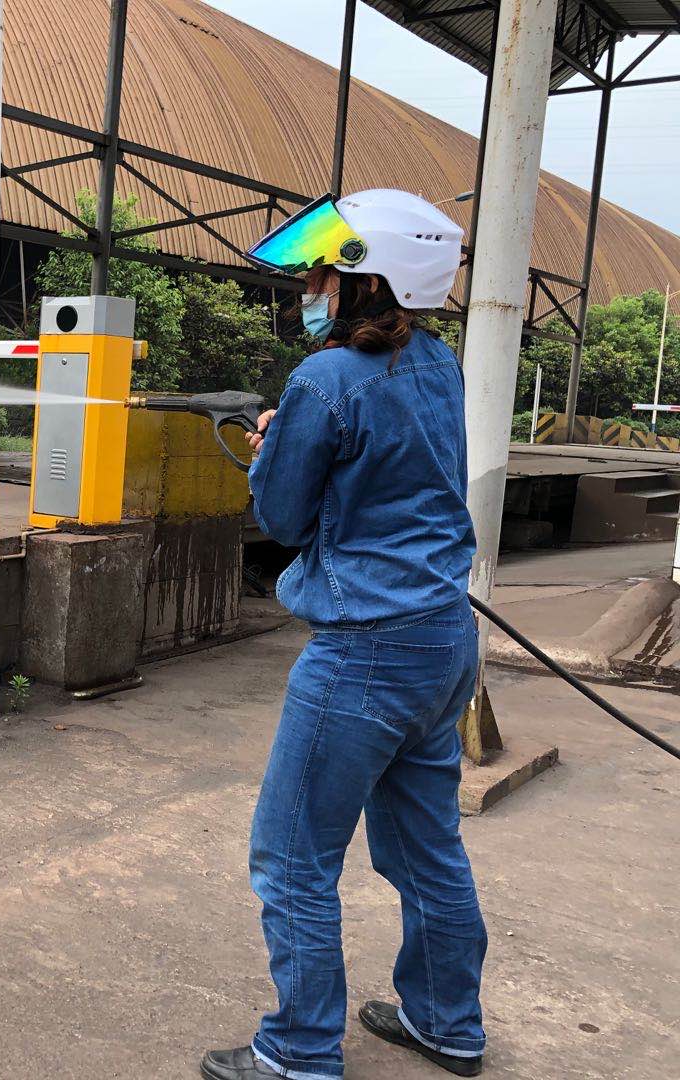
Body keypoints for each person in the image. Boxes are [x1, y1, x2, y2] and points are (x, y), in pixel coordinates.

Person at [201, 190, 487, 1080]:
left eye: (326, 272)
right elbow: (388, 472)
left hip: (365, 651)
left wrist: (271, 450)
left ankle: (298, 1052)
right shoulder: (441, 364)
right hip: (444, 639)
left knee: (290, 859)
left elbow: (285, 517)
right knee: (424, 847)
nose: (313, 288)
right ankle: (447, 1023)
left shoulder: (321, 380)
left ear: (368, 280)